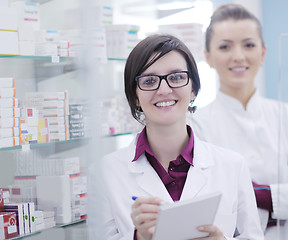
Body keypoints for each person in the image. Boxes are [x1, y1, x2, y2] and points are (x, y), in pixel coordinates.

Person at [87, 34, 264, 240]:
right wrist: (139, 238)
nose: (164, 90)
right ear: (135, 96)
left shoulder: (233, 166)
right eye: (149, 80)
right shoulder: (104, 173)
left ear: (193, 89)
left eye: (177, 77)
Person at [189, 3, 288, 240]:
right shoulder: (196, 126)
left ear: (263, 53)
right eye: (225, 46)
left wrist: (258, 196)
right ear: (208, 56)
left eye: (248, 45)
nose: (238, 56)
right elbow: (212, 213)